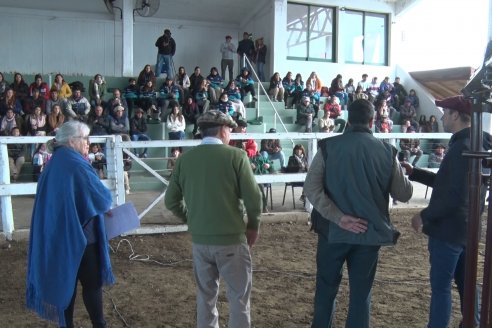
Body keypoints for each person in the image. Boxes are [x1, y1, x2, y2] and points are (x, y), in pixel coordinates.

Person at [304, 98, 413, 328]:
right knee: (361, 295)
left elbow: (311, 189)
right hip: (368, 233)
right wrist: (402, 171)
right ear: (372, 120)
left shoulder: (327, 147)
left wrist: (339, 217)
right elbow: (404, 193)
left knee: (325, 290)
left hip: (333, 233)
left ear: (348, 118)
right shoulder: (386, 151)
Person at [164, 110, 262, 328]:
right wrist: (253, 225)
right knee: (239, 297)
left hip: (200, 240)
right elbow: (254, 198)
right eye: (229, 129)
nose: (230, 134)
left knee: (206, 297)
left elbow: (171, 201)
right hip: (231, 240)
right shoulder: (237, 156)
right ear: (222, 130)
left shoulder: (185, 160)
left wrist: (191, 219)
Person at [402, 95, 491, 328]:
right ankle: (473, 322)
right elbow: (450, 184)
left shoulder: (460, 147)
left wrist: (425, 215)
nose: (442, 116)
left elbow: (453, 195)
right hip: (468, 229)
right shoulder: (477, 143)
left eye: (445, 113)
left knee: (441, 288)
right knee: (468, 285)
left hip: (448, 230)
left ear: (455, 115)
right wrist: (415, 173)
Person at [26, 121, 114, 328]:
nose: (88, 143)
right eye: (85, 139)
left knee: (67, 286)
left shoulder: (54, 163)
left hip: (58, 237)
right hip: (83, 238)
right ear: (72, 141)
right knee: (92, 286)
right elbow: (101, 198)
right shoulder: (76, 163)